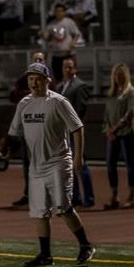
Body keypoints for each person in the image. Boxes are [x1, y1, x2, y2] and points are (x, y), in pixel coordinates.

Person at [2, 62, 96, 266]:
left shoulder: (58, 102)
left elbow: (77, 128)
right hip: (36, 165)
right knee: (39, 212)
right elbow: (14, 133)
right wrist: (5, 146)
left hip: (58, 161)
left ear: (47, 80)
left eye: (37, 78)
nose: (33, 82)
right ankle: (45, 255)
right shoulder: (24, 103)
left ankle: (86, 245)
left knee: (63, 207)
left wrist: (78, 158)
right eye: (30, 78)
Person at [9, 52, 51, 207]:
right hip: (28, 130)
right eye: (35, 60)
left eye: (41, 59)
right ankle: (29, 193)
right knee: (28, 163)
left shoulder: (48, 80)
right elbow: (14, 96)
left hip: (44, 130)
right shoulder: (23, 79)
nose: (38, 62)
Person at [59, 57, 95, 208]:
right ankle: (75, 197)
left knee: (81, 163)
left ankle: (89, 197)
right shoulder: (61, 86)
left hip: (74, 131)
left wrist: (71, 125)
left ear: (75, 69)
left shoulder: (80, 86)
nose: (67, 70)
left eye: (70, 67)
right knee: (68, 165)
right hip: (64, 132)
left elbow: (80, 109)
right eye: (65, 67)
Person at [103, 63, 134, 210]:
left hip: (127, 133)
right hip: (113, 135)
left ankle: (131, 196)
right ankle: (114, 195)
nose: (118, 77)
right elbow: (106, 114)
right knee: (110, 164)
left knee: (129, 164)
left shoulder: (131, 92)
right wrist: (107, 129)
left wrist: (116, 127)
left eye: (121, 74)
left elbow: (130, 114)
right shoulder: (112, 93)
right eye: (116, 75)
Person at [40, 4, 82, 82]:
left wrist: (73, 43)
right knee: (58, 77)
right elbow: (47, 38)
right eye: (57, 11)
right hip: (56, 55)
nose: (59, 13)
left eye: (61, 11)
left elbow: (76, 34)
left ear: (64, 12)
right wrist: (42, 35)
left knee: (71, 75)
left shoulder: (69, 22)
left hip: (68, 54)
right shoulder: (51, 25)